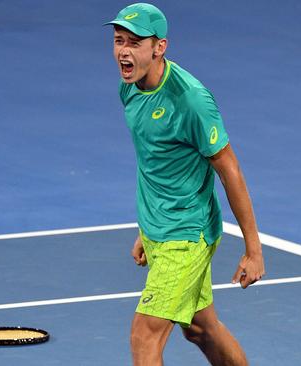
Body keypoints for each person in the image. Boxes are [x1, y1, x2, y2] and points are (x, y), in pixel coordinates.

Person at [105, 3, 265, 365]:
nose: (123, 51)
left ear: (159, 47)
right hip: (161, 230)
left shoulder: (190, 100)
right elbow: (156, 162)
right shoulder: (128, 89)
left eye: (134, 42)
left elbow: (230, 170)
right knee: (200, 327)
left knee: (144, 334)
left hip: (186, 235)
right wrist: (147, 228)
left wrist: (253, 249)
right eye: (118, 41)